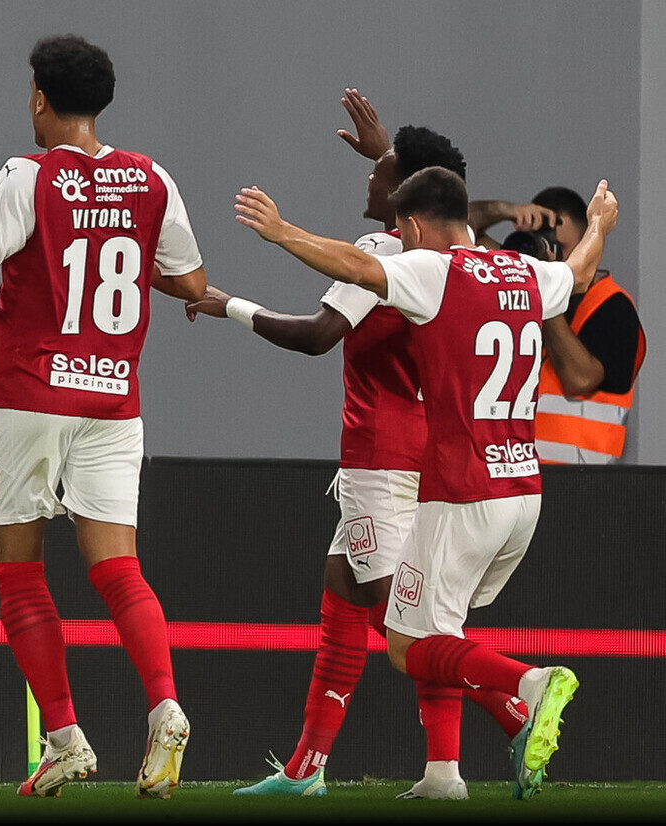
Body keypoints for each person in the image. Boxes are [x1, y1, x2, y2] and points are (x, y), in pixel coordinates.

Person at [235, 166, 618, 801]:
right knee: (424, 622)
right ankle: (442, 776)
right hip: (524, 492)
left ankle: (527, 687)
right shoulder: (523, 273)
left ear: (413, 227)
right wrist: (600, 222)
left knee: (411, 644)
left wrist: (281, 233)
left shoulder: (436, 270)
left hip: (461, 492)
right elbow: (578, 273)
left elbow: (355, 269)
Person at [188, 91, 529, 800]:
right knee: (343, 596)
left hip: (382, 460)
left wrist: (231, 307)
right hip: (422, 457)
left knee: (407, 630)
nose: (370, 185)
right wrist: (385, 151)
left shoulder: (382, 254)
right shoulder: (471, 261)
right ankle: (317, 771)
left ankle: (510, 696)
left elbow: (317, 336)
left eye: (381, 178)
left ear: (407, 203)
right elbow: (432, 202)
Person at [0, 34, 205, 799]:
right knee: (118, 569)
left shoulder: (26, 175)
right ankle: (165, 705)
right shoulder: (151, 177)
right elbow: (189, 279)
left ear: (40, 100)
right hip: (113, 399)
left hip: (30, 397)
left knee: (18, 574)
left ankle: (66, 738)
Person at [469, 187, 646, 464]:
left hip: (585, 485)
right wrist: (507, 209)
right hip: (517, 471)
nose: (550, 250)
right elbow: (463, 229)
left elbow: (580, 379)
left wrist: (545, 290)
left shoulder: (612, 305)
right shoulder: (524, 279)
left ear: (587, 239)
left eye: (556, 242)